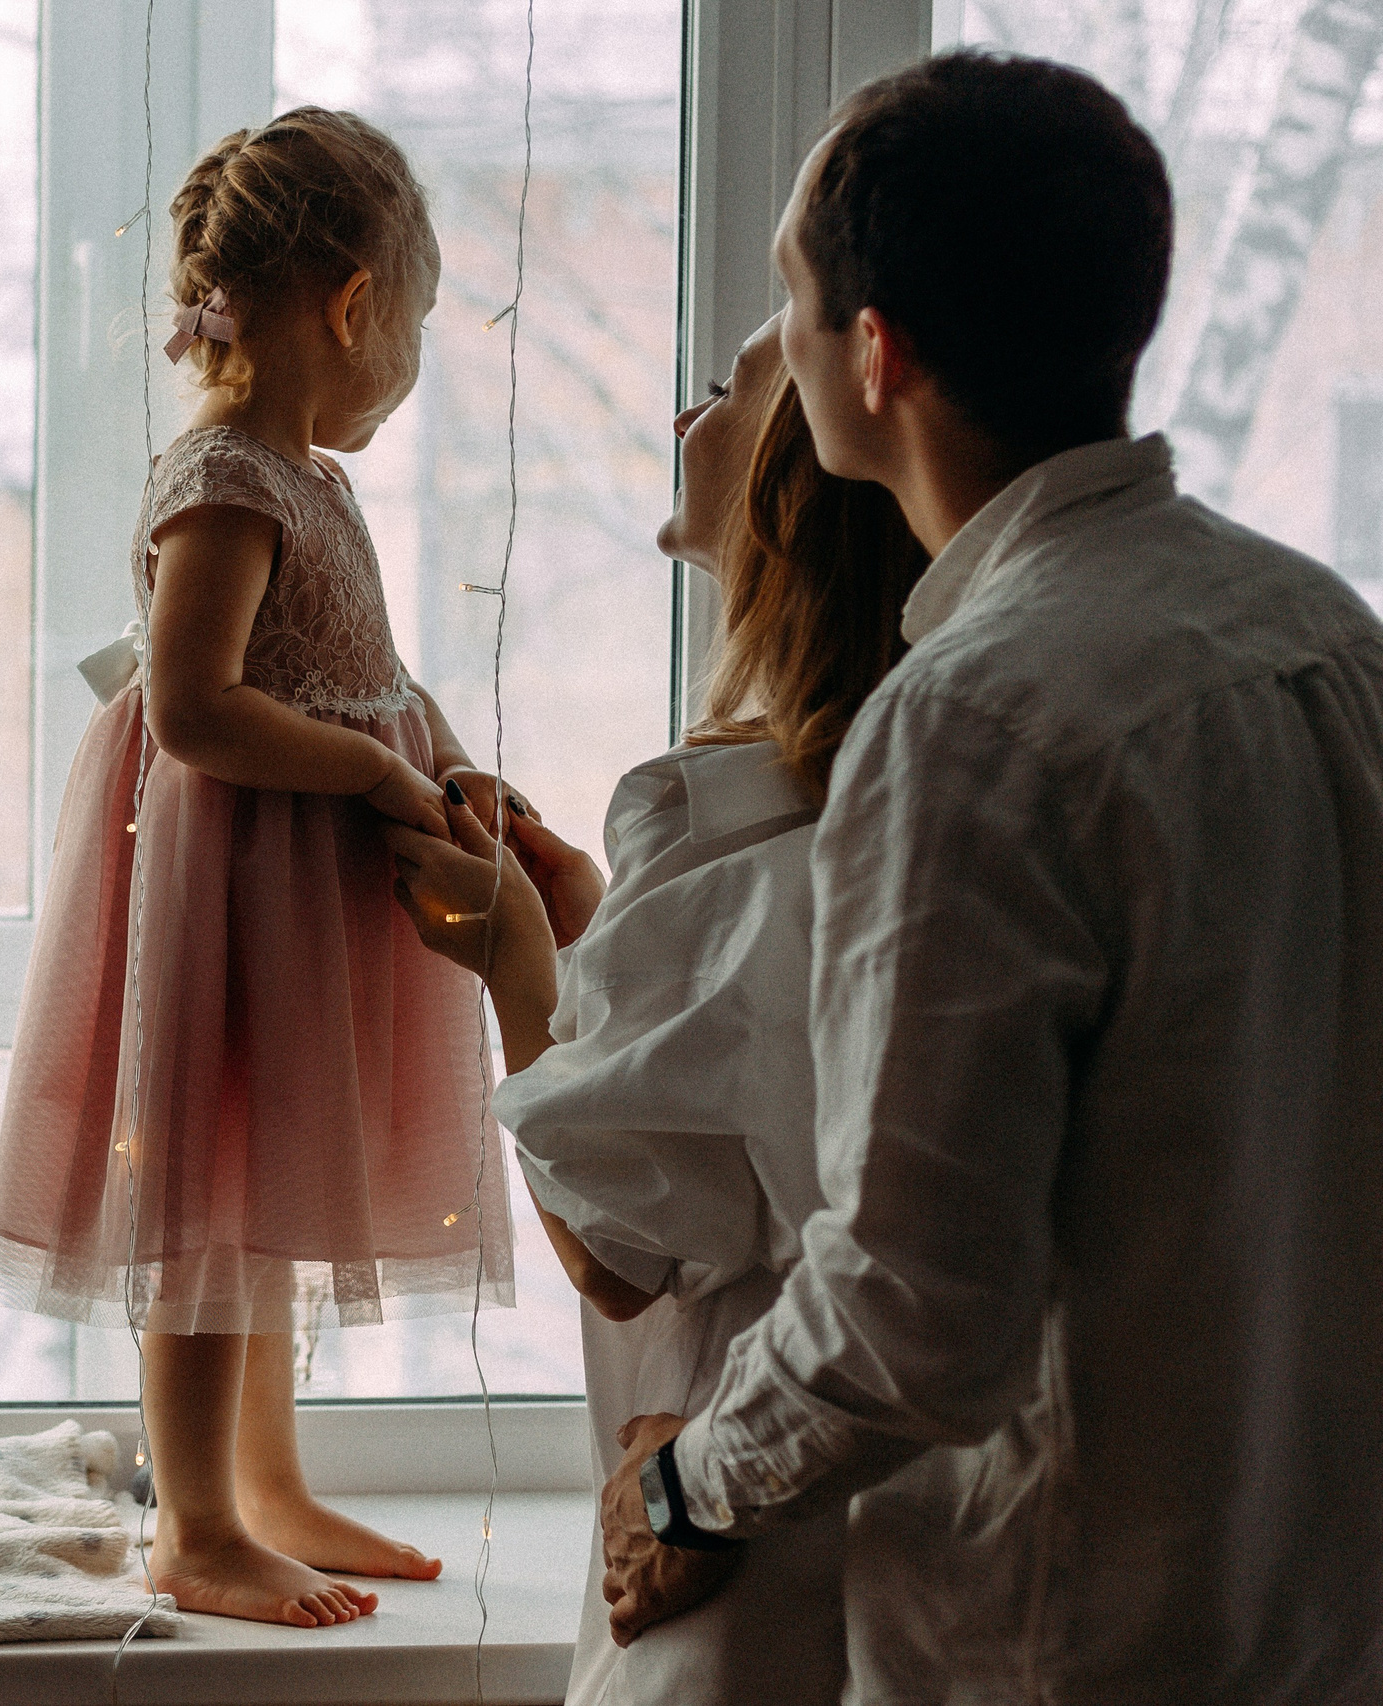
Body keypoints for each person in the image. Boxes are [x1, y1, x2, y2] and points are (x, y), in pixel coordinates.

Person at [416, 50, 1383, 1703]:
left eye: (793, 301)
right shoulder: (1328, 642)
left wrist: (679, 1482)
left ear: (877, 355)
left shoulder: (978, 724)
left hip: (1061, 1645)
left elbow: (915, 1312)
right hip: (1320, 1624)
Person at [0, 107, 521, 1630]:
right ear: (353, 303)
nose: (403, 363)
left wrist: (446, 756)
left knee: (272, 1196)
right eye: (404, 324)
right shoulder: (223, 479)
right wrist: (368, 766)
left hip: (303, 906)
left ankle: (269, 1483)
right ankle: (198, 1520)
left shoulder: (307, 481)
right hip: (227, 900)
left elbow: (360, 666)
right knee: (206, 1206)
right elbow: (197, 705)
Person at [461, 303, 930, 1706]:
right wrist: (605, 933)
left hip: (726, 1518)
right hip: (897, 1527)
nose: (686, 422)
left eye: (723, 391)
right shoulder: (909, 795)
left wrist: (515, 967)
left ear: (790, 490)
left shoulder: (713, 811)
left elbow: (618, 1245)